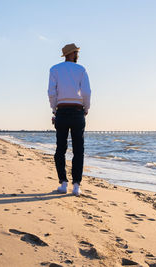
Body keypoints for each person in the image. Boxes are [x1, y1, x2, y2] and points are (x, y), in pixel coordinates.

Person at [47, 43, 91, 196]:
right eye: (77, 53)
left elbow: (51, 92)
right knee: (79, 150)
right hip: (77, 111)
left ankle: (63, 183)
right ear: (73, 54)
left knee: (61, 149)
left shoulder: (54, 69)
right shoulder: (81, 70)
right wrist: (86, 108)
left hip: (62, 111)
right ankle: (76, 185)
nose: (77, 55)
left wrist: (54, 109)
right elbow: (86, 92)